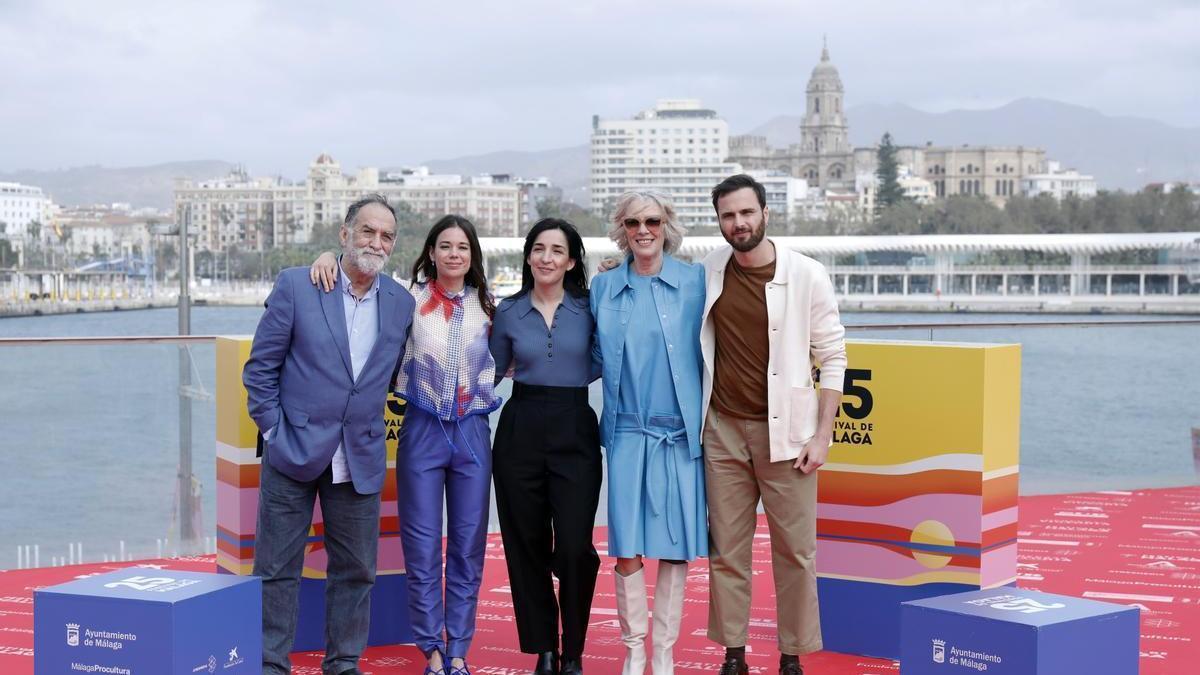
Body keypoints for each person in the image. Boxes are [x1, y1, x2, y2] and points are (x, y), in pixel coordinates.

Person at [313, 214, 500, 675]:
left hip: (473, 433)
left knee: (468, 544)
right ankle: (430, 649)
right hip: (420, 429)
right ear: (430, 253)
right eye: (445, 246)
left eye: (463, 246)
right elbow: (356, 285)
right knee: (419, 547)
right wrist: (324, 259)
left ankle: (458, 647)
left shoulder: (494, 307)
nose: (454, 254)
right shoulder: (404, 300)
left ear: (472, 255)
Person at [243, 194, 416, 675]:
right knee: (276, 570)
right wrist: (274, 429)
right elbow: (260, 370)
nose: (376, 242)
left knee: (356, 572)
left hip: (358, 457)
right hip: (292, 451)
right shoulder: (299, 285)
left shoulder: (401, 302)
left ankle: (342, 664)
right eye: (367, 231)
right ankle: (269, 664)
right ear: (344, 234)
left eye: (386, 235)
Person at [702, 175, 846, 675]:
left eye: (746, 212)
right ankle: (733, 654)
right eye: (727, 215)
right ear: (718, 221)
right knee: (727, 552)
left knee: (796, 554)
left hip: (788, 436)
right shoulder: (709, 270)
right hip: (721, 431)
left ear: (765, 213)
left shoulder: (807, 274)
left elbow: (833, 357)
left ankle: (791, 655)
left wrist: (823, 434)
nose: (738, 223)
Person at [590, 190, 707, 675]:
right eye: (634, 221)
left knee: (675, 547)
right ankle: (634, 648)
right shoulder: (602, 287)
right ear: (621, 227)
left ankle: (664, 653)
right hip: (625, 435)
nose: (644, 230)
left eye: (653, 221)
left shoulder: (697, 280)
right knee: (627, 545)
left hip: (680, 437)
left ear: (667, 224)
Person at [489, 218, 602, 675]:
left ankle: (573, 646)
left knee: (575, 546)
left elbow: (600, 361)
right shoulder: (508, 310)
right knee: (526, 543)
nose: (546, 258)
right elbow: (491, 370)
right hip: (520, 427)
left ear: (572, 260)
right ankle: (545, 648)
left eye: (557, 250)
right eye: (538, 249)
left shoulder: (592, 307)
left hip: (575, 425)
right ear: (528, 257)